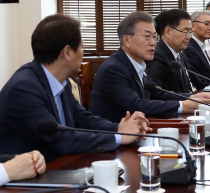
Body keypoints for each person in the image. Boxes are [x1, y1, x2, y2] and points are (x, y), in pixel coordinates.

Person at [0, 14, 150, 162]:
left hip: (60, 168)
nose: (83, 54)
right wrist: (119, 137)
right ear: (67, 52)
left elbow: (83, 119)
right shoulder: (23, 89)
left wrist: (120, 128)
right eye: (81, 47)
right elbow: (58, 139)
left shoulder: (59, 81)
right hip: (23, 181)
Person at [91, 11, 210, 123]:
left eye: (154, 37)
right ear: (127, 40)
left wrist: (192, 97)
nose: (153, 42)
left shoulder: (138, 65)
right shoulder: (113, 69)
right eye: (147, 36)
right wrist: (183, 105)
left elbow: (156, 93)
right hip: (114, 139)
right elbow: (136, 105)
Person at [145, 9, 203, 93]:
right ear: (168, 31)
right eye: (185, 31)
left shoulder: (180, 52)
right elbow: (156, 94)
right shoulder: (156, 56)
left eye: (190, 32)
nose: (189, 37)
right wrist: (189, 97)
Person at [182, 10, 210, 87]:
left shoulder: (201, 46)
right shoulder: (189, 48)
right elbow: (197, 79)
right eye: (206, 24)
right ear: (193, 26)